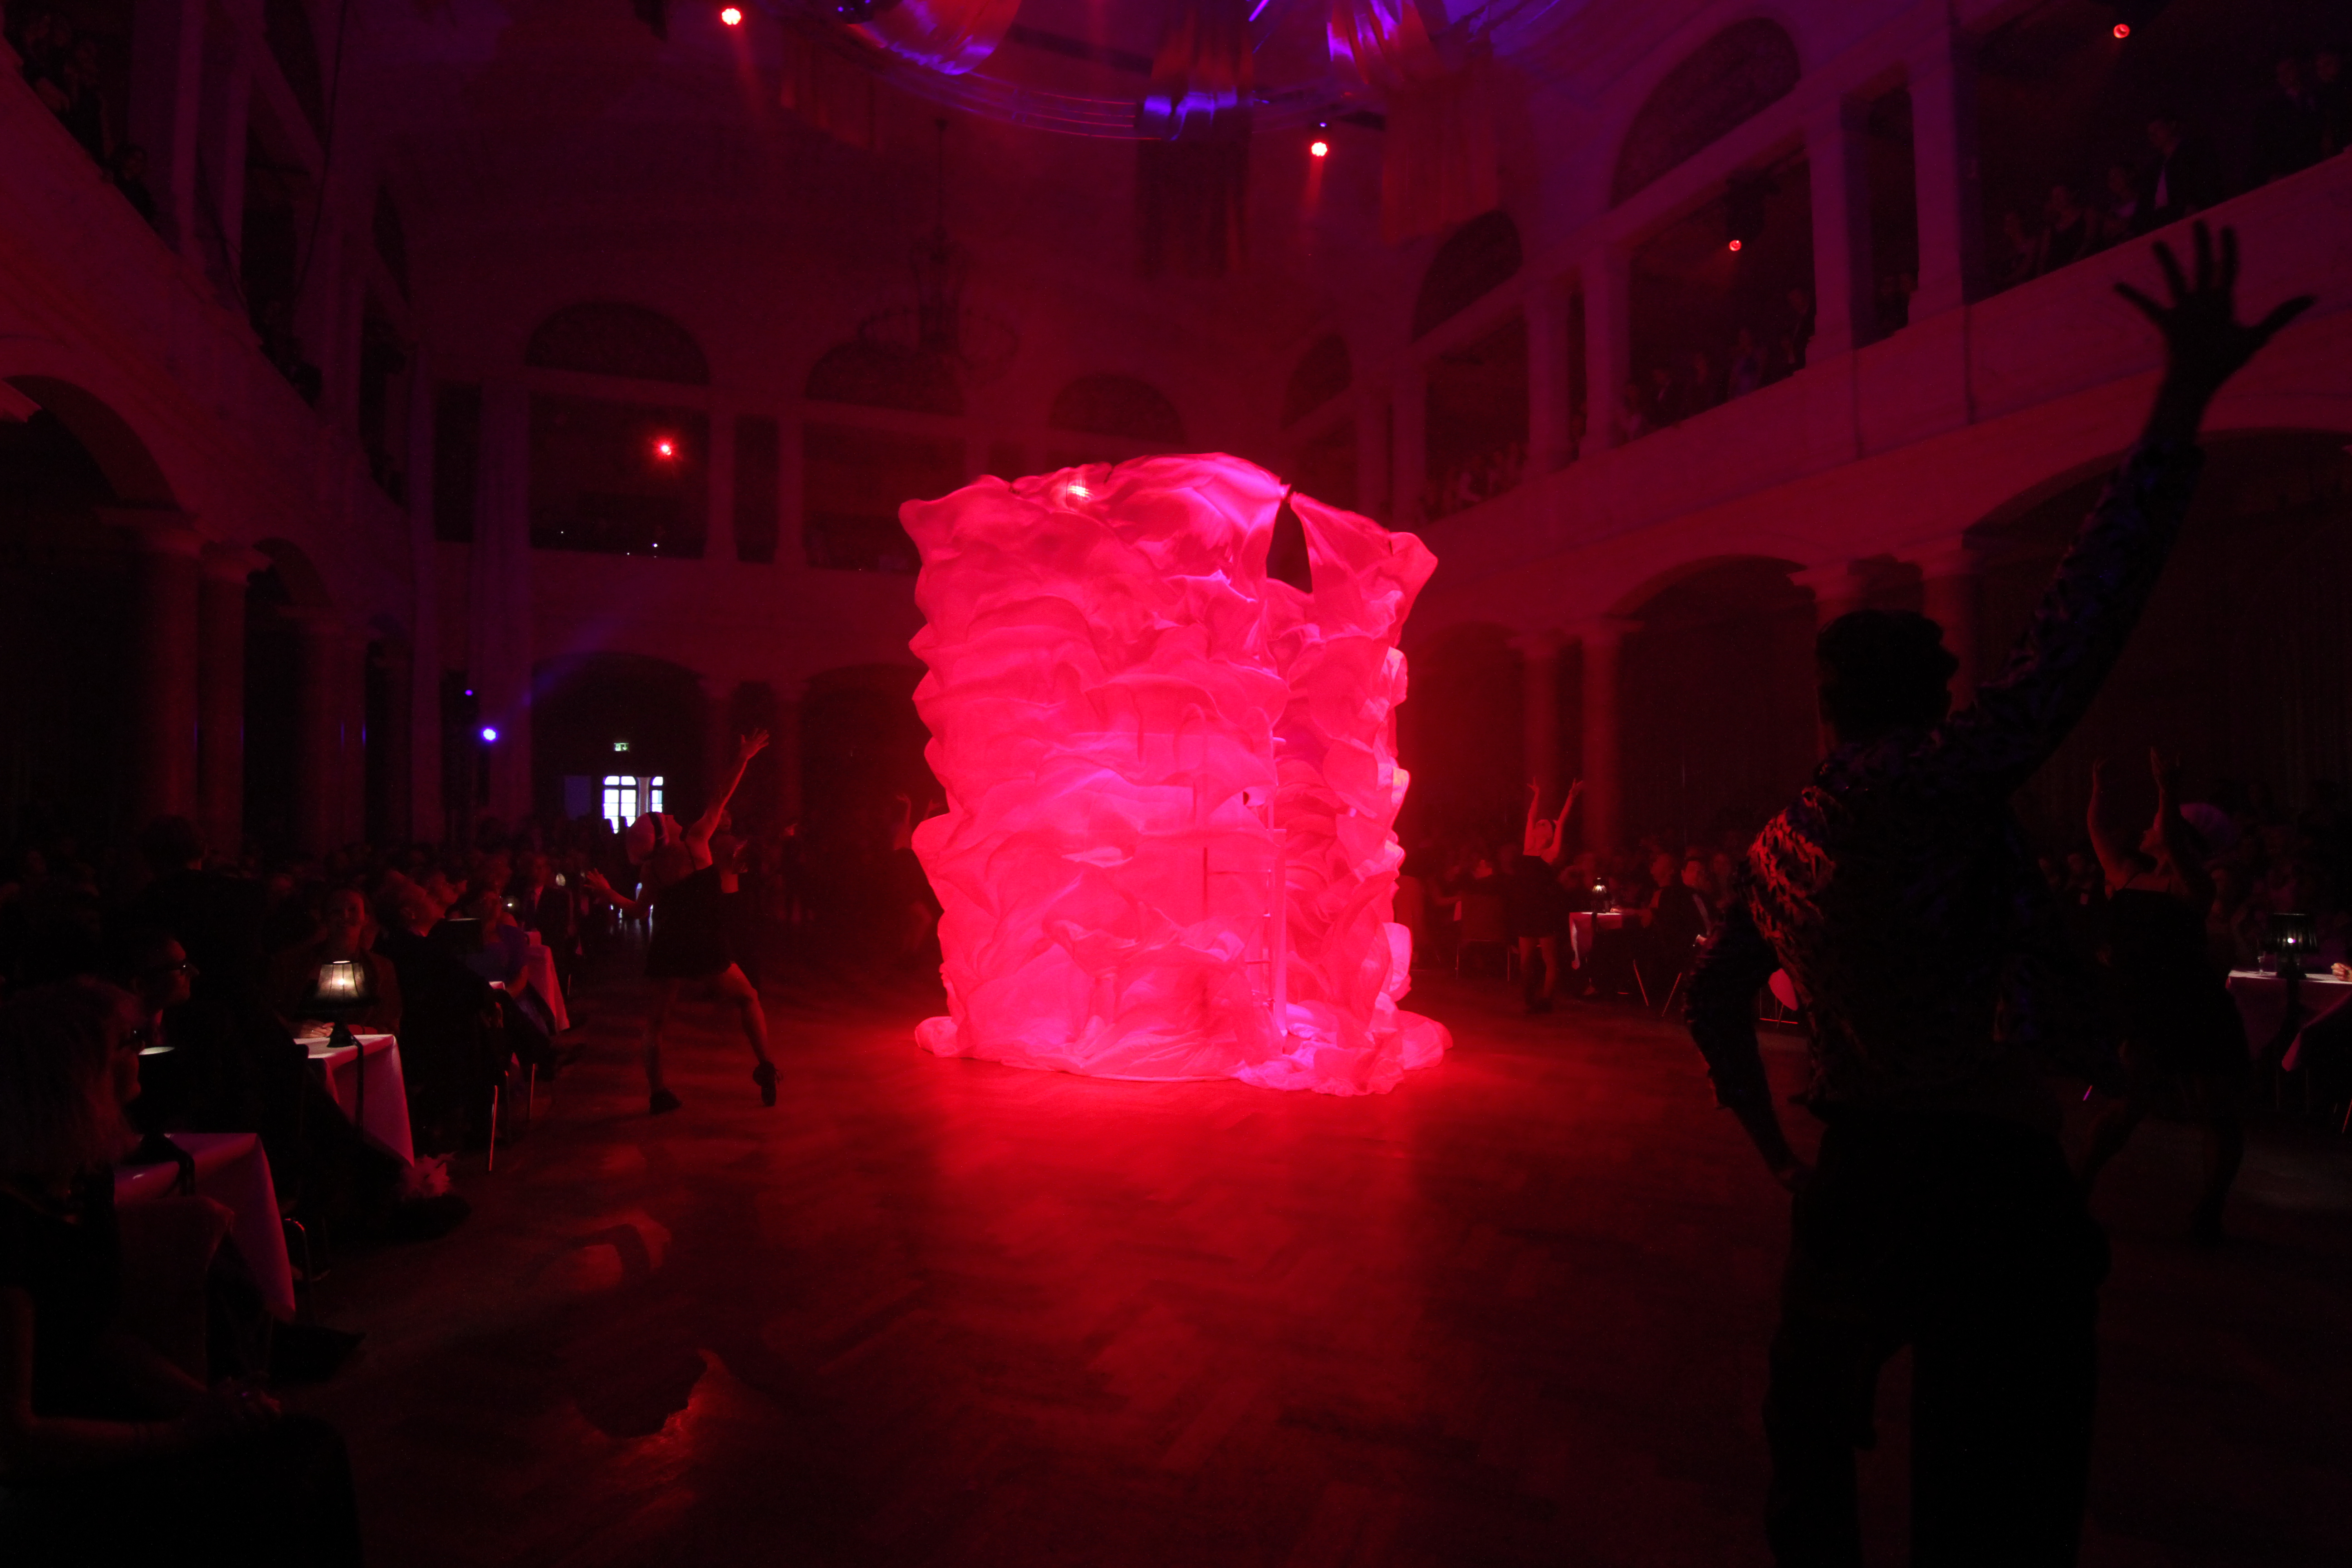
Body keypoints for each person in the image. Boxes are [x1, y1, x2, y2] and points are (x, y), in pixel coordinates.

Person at [1685, 223, 2308, 1565]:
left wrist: (1775, 1150)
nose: (1963, 686)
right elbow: (2081, 620)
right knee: (2000, 1495)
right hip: (1985, 1173)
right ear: (1922, 698)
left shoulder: (1780, 842)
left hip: (1856, 1174)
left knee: (1809, 1470)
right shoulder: (1944, 776)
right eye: (1945, 676)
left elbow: (1711, 997)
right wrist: (2176, 410)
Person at [0, 981, 363, 1563]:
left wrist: (209, 1402)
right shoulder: (13, 1226)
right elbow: (16, 1442)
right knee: (276, 1485)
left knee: (306, 1445)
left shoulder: (80, 1183)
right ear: (76, 1074)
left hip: (102, 1415)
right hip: (48, 1470)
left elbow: (98, 1335)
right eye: (129, 1040)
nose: (145, 1048)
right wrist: (176, 1435)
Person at [2075, 752, 2249, 1245]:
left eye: (2157, 823)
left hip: (2195, 1007)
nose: (2149, 829)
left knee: (2217, 1114)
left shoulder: (2191, 886)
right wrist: (2099, 788)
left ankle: (2209, 1213)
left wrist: (2167, 793)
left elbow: (2173, 839)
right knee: (2125, 1110)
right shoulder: (2128, 875)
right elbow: (2098, 830)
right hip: (2151, 1010)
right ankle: (2076, 1192)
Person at [584, 731, 779, 1115]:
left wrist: (608, 893)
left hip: (669, 946)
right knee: (748, 999)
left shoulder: (653, 870)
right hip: (705, 944)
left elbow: (638, 912)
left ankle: (658, 1093)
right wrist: (743, 757)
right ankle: (766, 1067)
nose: (670, 815)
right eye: (663, 818)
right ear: (663, 833)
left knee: (656, 1024)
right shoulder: (696, 843)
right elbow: (721, 795)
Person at [1509, 781, 1581, 1014]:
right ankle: (1530, 997)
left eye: (1544, 824)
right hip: (1526, 909)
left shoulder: (1551, 853)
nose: (1539, 824)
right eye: (1539, 824)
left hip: (1543, 909)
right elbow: (1530, 817)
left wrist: (1571, 797)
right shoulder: (1528, 848)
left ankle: (1547, 1000)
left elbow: (1563, 820)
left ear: (1550, 832)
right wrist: (1537, 794)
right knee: (1526, 959)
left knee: (1549, 958)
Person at [2250, 53, 2325, 186]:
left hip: (2322, 158)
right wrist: (2275, 170)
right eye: (2280, 74)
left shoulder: (2319, 94)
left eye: (2289, 70)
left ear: (2299, 68)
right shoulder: (2274, 109)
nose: (2285, 76)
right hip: (2295, 167)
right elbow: (2270, 142)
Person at [2141, 113, 2220, 230]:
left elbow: (2206, 180)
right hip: (2164, 224)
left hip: (2190, 219)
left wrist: (2195, 204)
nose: (2153, 136)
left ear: (2172, 126)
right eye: (2150, 134)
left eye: (2157, 129)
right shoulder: (2155, 168)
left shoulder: (2194, 151)